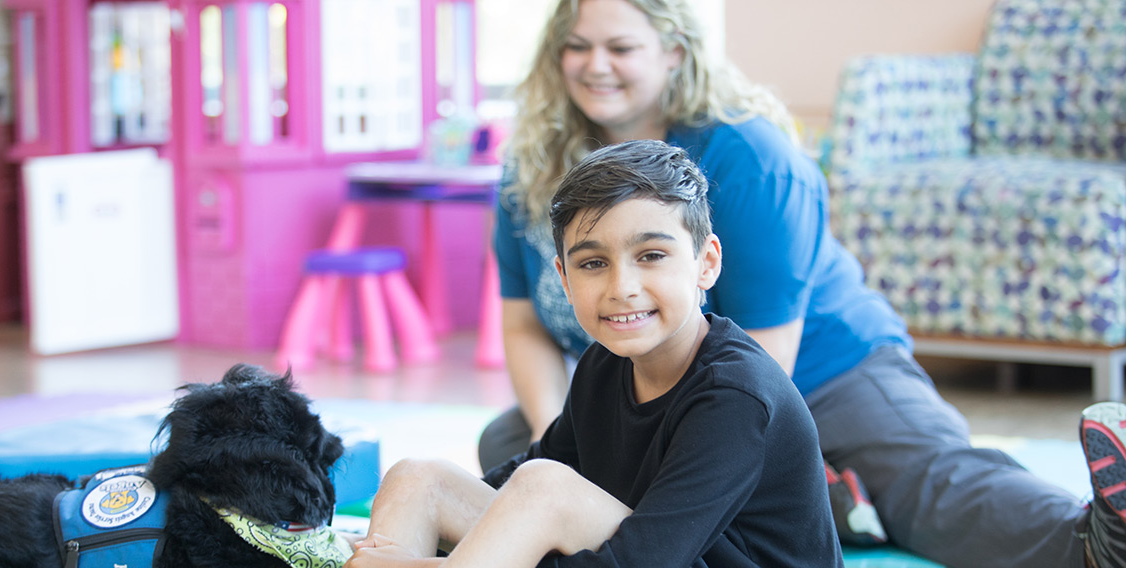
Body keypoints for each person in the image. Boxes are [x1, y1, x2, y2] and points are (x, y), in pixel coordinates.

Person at [480, 0, 1126, 566]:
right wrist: (567, 450)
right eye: (577, 45)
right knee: (510, 446)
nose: (596, 64)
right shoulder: (533, 168)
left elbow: (762, 368)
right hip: (653, 386)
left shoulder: (752, 157)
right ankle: (828, 498)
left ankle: (1094, 542)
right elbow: (524, 324)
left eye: (620, 47)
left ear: (675, 53)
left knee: (926, 486)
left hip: (824, 371)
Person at [345, 139, 843, 568]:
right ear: (563, 278)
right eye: (593, 263)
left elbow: (645, 560)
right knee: (419, 476)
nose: (622, 287)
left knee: (546, 489)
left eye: (651, 255)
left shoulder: (735, 395)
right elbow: (518, 482)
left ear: (705, 263)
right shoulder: (606, 364)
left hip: (655, 560)